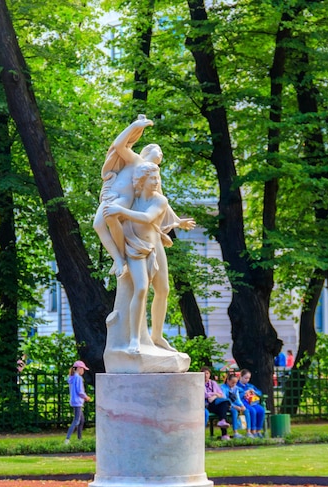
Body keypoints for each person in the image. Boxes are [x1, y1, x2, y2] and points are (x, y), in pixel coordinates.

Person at [104, 161, 194, 354]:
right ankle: (135, 339)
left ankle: (157, 336)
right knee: (142, 288)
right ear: (142, 181)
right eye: (152, 178)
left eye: (157, 178)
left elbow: (147, 218)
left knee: (163, 290)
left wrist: (121, 211)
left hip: (155, 247)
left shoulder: (159, 201)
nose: (156, 181)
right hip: (135, 248)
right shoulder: (131, 199)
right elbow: (109, 214)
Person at [95, 115, 195, 278]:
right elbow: (119, 145)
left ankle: (120, 259)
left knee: (106, 220)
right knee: (97, 225)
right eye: (159, 151)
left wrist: (177, 221)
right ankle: (118, 258)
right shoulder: (135, 159)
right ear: (147, 151)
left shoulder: (153, 175)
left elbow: (161, 201)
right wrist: (135, 126)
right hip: (112, 196)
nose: (161, 155)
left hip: (123, 200)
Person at [65, 360, 92, 445]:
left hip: (74, 401)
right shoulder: (78, 378)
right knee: (76, 420)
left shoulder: (71, 377)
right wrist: (86, 397)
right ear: (79, 368)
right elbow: (80, 391)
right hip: (78, 402)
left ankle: (79, 439)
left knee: (81, 420)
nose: (83, 371)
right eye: (83, 369)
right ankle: (67, 439)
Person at [201, 366, 231, 440]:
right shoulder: (200, 384)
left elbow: (221, 394)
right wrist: (214, 394)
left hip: (214, 403)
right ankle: (224, 433)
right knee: (224, 405)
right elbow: (204, 395)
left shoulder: (213, 383)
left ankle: (224, 433)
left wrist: (213, 396)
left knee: (223, 407)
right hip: (206, 405)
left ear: (210, 374)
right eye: (203, 374)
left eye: (207, 373)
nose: (205, 375)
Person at [220, 373, 251, 439]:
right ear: (228, 381)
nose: (234, 384)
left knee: (246, 411)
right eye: (232, 382)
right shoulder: (223, 387)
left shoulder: (236, 388)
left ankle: (248, 431)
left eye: (235, 383)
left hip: (235, 404)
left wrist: (242, 405)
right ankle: (235, 432)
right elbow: (225, 399)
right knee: (234, 412)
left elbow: (238, 399)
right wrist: (234, 406)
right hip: (227, 405)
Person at [236, 369, 266, 438]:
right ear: (240, 377)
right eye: (245, 378)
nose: (247, 380)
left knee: (261, 410)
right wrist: (244, 393)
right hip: (243, 402)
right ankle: (253, 430)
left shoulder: (250, 386)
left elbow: (259, 393)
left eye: (248, 378)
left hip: (252, 402)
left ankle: (258, 430)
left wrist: (254, 392)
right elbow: (236, 396)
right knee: (252, 411)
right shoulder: (237, 386)